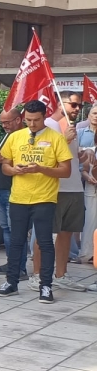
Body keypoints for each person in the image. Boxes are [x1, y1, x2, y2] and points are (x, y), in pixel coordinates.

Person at [0, 100, 72, 302]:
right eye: (28, 120)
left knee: (45, 242)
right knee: (16, 242)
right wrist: (14, 170)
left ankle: (45, 286)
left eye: (36, 120)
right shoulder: (15, 136)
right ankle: (11, 281)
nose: (31, 124)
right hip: (19, 197)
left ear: (44, 117)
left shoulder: (56, 138)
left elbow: (66, 171)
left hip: (45, 198)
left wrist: (41, 169)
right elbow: (5, 166)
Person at [48, 94, 87, 291]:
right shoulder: (48, 124)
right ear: (59, 103)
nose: (77, 108)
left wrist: (82, 157)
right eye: (73, 104)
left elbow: (70, 158)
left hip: (74, 187)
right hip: (56, 188)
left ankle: (61, 274)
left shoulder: (71, 126)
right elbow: (46, 158)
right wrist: (64, 140)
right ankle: (38, 275)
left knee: (67, 234)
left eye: (80, 105)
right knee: (45, 234)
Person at [0, 109, 29, 282]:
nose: (4, 125)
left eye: (7, 122)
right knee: (6, 229)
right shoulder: (7, 136)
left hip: (12, 189)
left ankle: (19, 267)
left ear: (18, 119)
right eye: (2, 122)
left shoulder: (24, 136)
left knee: (16, 231)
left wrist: (3, 160)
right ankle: (12, 263)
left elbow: (24, 161)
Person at [78, 104, 97, 269]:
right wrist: (87, 176)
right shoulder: (80, 133)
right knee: (89, 222)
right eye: (94, 113)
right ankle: (87, 253)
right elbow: (81, 164)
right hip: (89, 186)